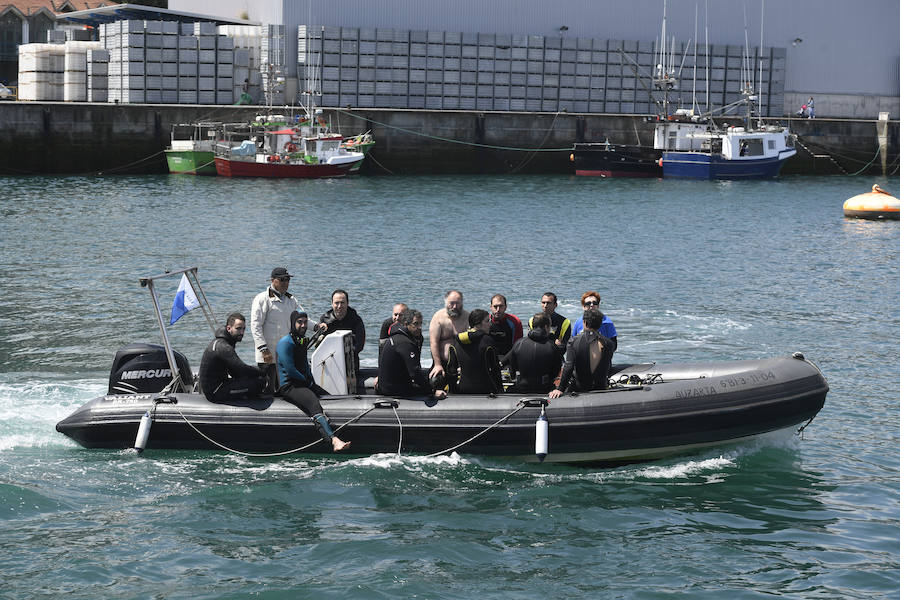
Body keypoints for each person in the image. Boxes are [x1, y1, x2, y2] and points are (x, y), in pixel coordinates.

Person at [276, 311, 350, 451]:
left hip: (303, 382)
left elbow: (304, 365)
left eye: (305, 322)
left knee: (328, 396)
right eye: (299, 322)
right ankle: (333, 440)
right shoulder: (285, 343)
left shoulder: (302, 340)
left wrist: (310, 382)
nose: (303, 325)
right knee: (313, 402)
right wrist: (307, 383)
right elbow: (291, 370)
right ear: (293, 324)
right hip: (289, 386)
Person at [377, 309, 447, 399]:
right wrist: (432, 391)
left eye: (421, 324)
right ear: (406, 324)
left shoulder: (395, 336)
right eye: (415, 324)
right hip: (395, 391)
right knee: (434, 382)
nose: (420, 327)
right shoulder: (405, 344)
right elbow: (415, 373)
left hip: (385, 386)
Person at [250, 267, 299, 393]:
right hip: (268, 355)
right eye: (282, 279)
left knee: (284, 389)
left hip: (284, 355)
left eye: (287, 279)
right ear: (273, 280)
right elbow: (255, 326)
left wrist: (317, 326)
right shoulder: (262, 299)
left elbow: (301, 318)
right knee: (267, 390)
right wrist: (263, 349)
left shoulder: (291, 300)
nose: (285, 283)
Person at [199, 312, 266, 403]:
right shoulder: (223, 347)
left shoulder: (224, 342)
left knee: (255, 379)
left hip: (219, 384)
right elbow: (241, 368)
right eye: (238, 329)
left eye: (243, 329)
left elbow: (234, 371)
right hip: (215, 392)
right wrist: (262, 371)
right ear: (228, 328)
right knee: (259, 383)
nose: (242, 332)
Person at [550, 308, 615, 398]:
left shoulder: (573, 341)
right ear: (600, 324)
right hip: (600, 389)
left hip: (579, 389)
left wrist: (560, 389)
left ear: (584, 322)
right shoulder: (609, 344)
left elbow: (568, 367)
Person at [317, 289, 366, 391]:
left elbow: (360, 345)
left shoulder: (356, 320)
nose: (339, 306)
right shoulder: (324, 320)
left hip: (350, 363)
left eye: (342, 303)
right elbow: (318, 346)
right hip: (330, 362)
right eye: (336, 303)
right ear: (332, 304)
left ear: (347, 303)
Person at [503, 313, 563, 394]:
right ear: (546, 327)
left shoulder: (519, 343)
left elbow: (511, 364)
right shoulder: (552, 346)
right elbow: (556, 371)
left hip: (522, 387)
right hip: (544, 388)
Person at [446, 309, 502, 395]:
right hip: (486, 389)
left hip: (463, 389)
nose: (490, 324)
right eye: (487, 321)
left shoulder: (457, 341)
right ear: (478, 324)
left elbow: (451, 371)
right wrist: (500, 391)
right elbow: (495, 369)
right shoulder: (488, 341)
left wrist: (452, 393)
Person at [428, 290, 470, 384]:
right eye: (451, 303)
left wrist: (464, 365)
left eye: (457, 303)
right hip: (442, 362)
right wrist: (437, 364)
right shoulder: (438, 317)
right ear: (445, 302)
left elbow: (472, 343)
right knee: (434, 382)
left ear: (462, 303)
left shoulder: (467, 317)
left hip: (461, 364)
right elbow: (433, 343)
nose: (454, 307)